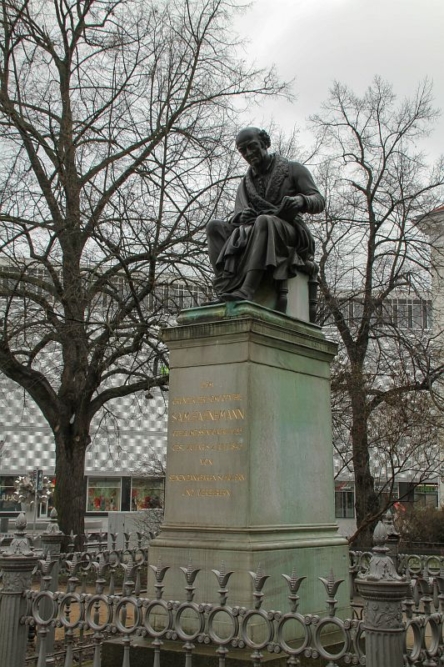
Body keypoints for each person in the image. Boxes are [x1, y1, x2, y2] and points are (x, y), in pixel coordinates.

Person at [206, 127, 325, 315]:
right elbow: (238, 214)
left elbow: (319, 201)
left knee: (264, 221)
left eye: (252, 147)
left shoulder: (293, 169)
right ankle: (225, 287)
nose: (248, 153)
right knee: (214, 227)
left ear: (265, 144)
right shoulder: (245, 183)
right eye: (243, 150)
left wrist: (300, 200)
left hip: (289, 232)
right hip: (254, 230)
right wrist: (241, 216)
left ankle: (247, 289)